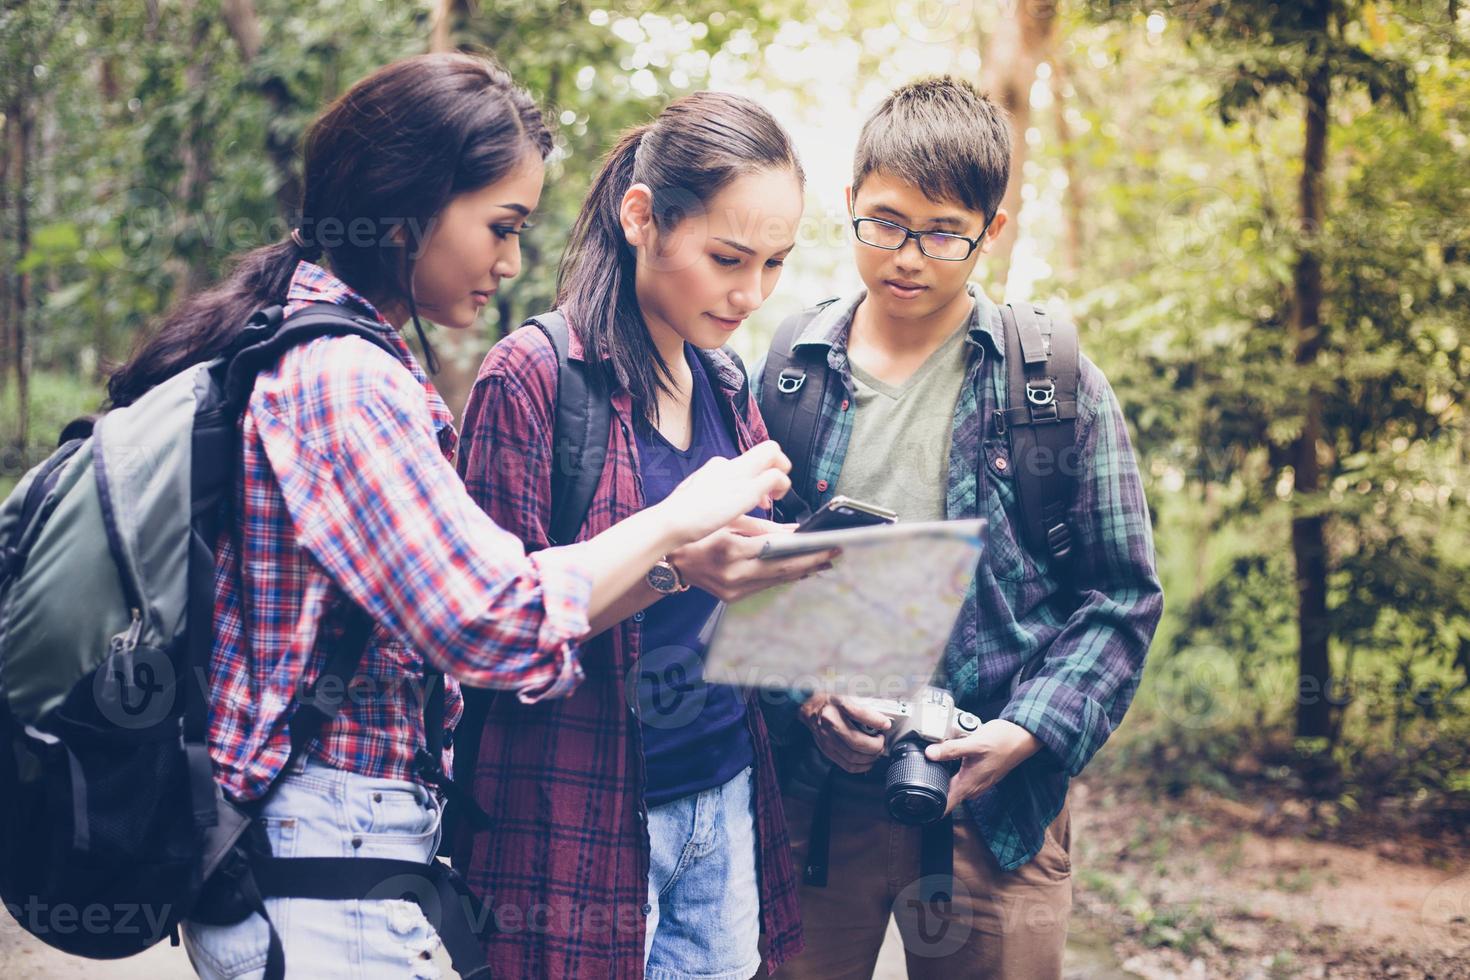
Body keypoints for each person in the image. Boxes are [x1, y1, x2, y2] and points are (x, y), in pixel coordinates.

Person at [106, 53, 793, 979]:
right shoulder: (344, 380)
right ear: (406, 207)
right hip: (321, 850)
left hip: (344, 848)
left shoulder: (330, 348)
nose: (512, 261)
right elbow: (493, 621)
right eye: (499, 226)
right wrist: (672, 526)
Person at [752, 77, 1164, 979]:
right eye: (887, 222)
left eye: (945, 232)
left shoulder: (1054, 386)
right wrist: (812, 694)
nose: (909, 256)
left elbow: (1122, 595)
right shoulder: (790, 374)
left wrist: (1027, 732)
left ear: (991, 231)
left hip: (999, 813)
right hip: (819, 805)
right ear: (851, 201)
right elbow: (753, 575)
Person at [453, 92, 829, 979]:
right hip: (578, 814)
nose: (753, 292)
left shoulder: (726, 383)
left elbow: (725, 598)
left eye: (776, 262)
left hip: (725, 795)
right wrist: (672, 565)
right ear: (642, 218)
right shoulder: (534, 379)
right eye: (728, 257)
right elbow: (487, 638)